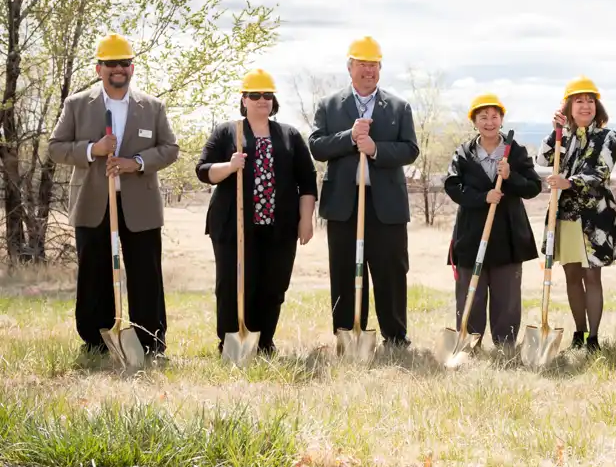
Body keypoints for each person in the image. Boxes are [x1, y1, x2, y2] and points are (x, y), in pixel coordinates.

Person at [48, 33, 179, 358]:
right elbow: (55, 148)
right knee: (94, 271)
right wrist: (94, 150)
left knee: (145, 272)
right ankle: (95, 341)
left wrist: (135, 163)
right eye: (111, 64)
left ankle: (150, 340)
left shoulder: (152, 107)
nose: (118, 69)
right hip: (94, 202)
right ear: (98, 68)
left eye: (124, 63)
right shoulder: (77, 105)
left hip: (140, 205)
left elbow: (170, 149)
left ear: (132, 68)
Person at [195, 69, 317, 357]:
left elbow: (307, 179)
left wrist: (306, 219)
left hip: (279, 226)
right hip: (233, 225)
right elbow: (203, 171)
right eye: (255, 95)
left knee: (273, 285)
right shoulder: (228, 132)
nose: (262, 100)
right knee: (233, 285)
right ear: (244, 99)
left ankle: (264, 342)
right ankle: (232, 343)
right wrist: (229, 166)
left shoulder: (289, 135)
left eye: (267, 95)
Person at [308, 36, 419, 348]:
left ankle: (396, 336)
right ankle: (347, 333)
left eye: (374, 65)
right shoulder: (329, 106)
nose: (368, 70)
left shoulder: (399, 107)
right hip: (344, 203)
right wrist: (349, 137)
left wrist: (374, 149)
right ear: (350, 67)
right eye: (362, 64)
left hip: (386, 205)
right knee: (344, 269)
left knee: (391, 270)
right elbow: (316, 146)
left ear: (380, 68)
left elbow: (410, 150)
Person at [444, 93, 542, 353]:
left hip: (508, 235)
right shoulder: (464, 153)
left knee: (507, 295)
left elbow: (533, 187)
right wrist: (482, 197)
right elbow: (452, 187)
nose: (489, 122)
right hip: (471, 233)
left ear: (501, 119)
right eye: (483, 117)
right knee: (470, 293)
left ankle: (505, 344)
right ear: (474, 121)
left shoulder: (515, 151)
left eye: (494, 116)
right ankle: (469, 343)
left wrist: (510, 177)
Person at [535, 76, 616, 352]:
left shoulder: (607, 137)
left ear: (597, 106)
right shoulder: (564, 137)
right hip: (565, 216)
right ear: (569, 107)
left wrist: (569, 182)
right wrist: (555, 132)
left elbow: (601, 174)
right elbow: (542, 160)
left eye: (590, 101)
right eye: (578, 101)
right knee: (571, 276)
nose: (585, 106)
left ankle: (594, 338)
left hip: (594, 218)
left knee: (592, 276)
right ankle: (579, 333)